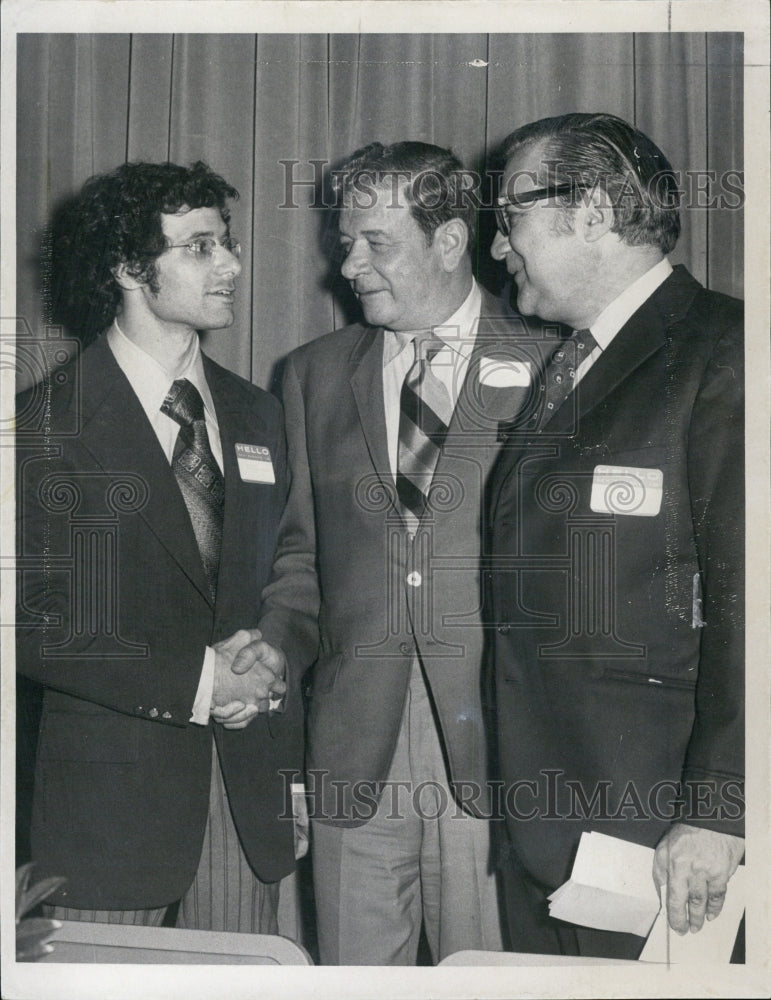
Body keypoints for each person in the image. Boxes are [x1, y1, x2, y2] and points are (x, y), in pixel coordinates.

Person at [229, 141, 524, 964]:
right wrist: (272, 653)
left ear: (448, 241)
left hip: (498, 751)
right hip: (353, 751)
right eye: (343, 240)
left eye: (375, 242)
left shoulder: (552, 358)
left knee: (495, 980)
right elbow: (298, 564)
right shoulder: (312, 375)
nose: (348, 263)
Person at [15, 160, 304, 931]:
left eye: (229, 243)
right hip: (105, 821)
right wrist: (200, 684)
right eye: (202, 248)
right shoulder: (42, 425)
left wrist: (273, 659)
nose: (233, 265)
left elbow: (291, 571)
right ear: (127, 269)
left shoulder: (259, 415)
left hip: (245, 806)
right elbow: (31, 621)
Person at [487, 113, 744, 959]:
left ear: (591, 210)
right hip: (547, 836)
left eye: (510, 217)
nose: (498, 249)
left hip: (662, 843)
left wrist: (719, 811)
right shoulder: (571, 365)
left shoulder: (726, 350)